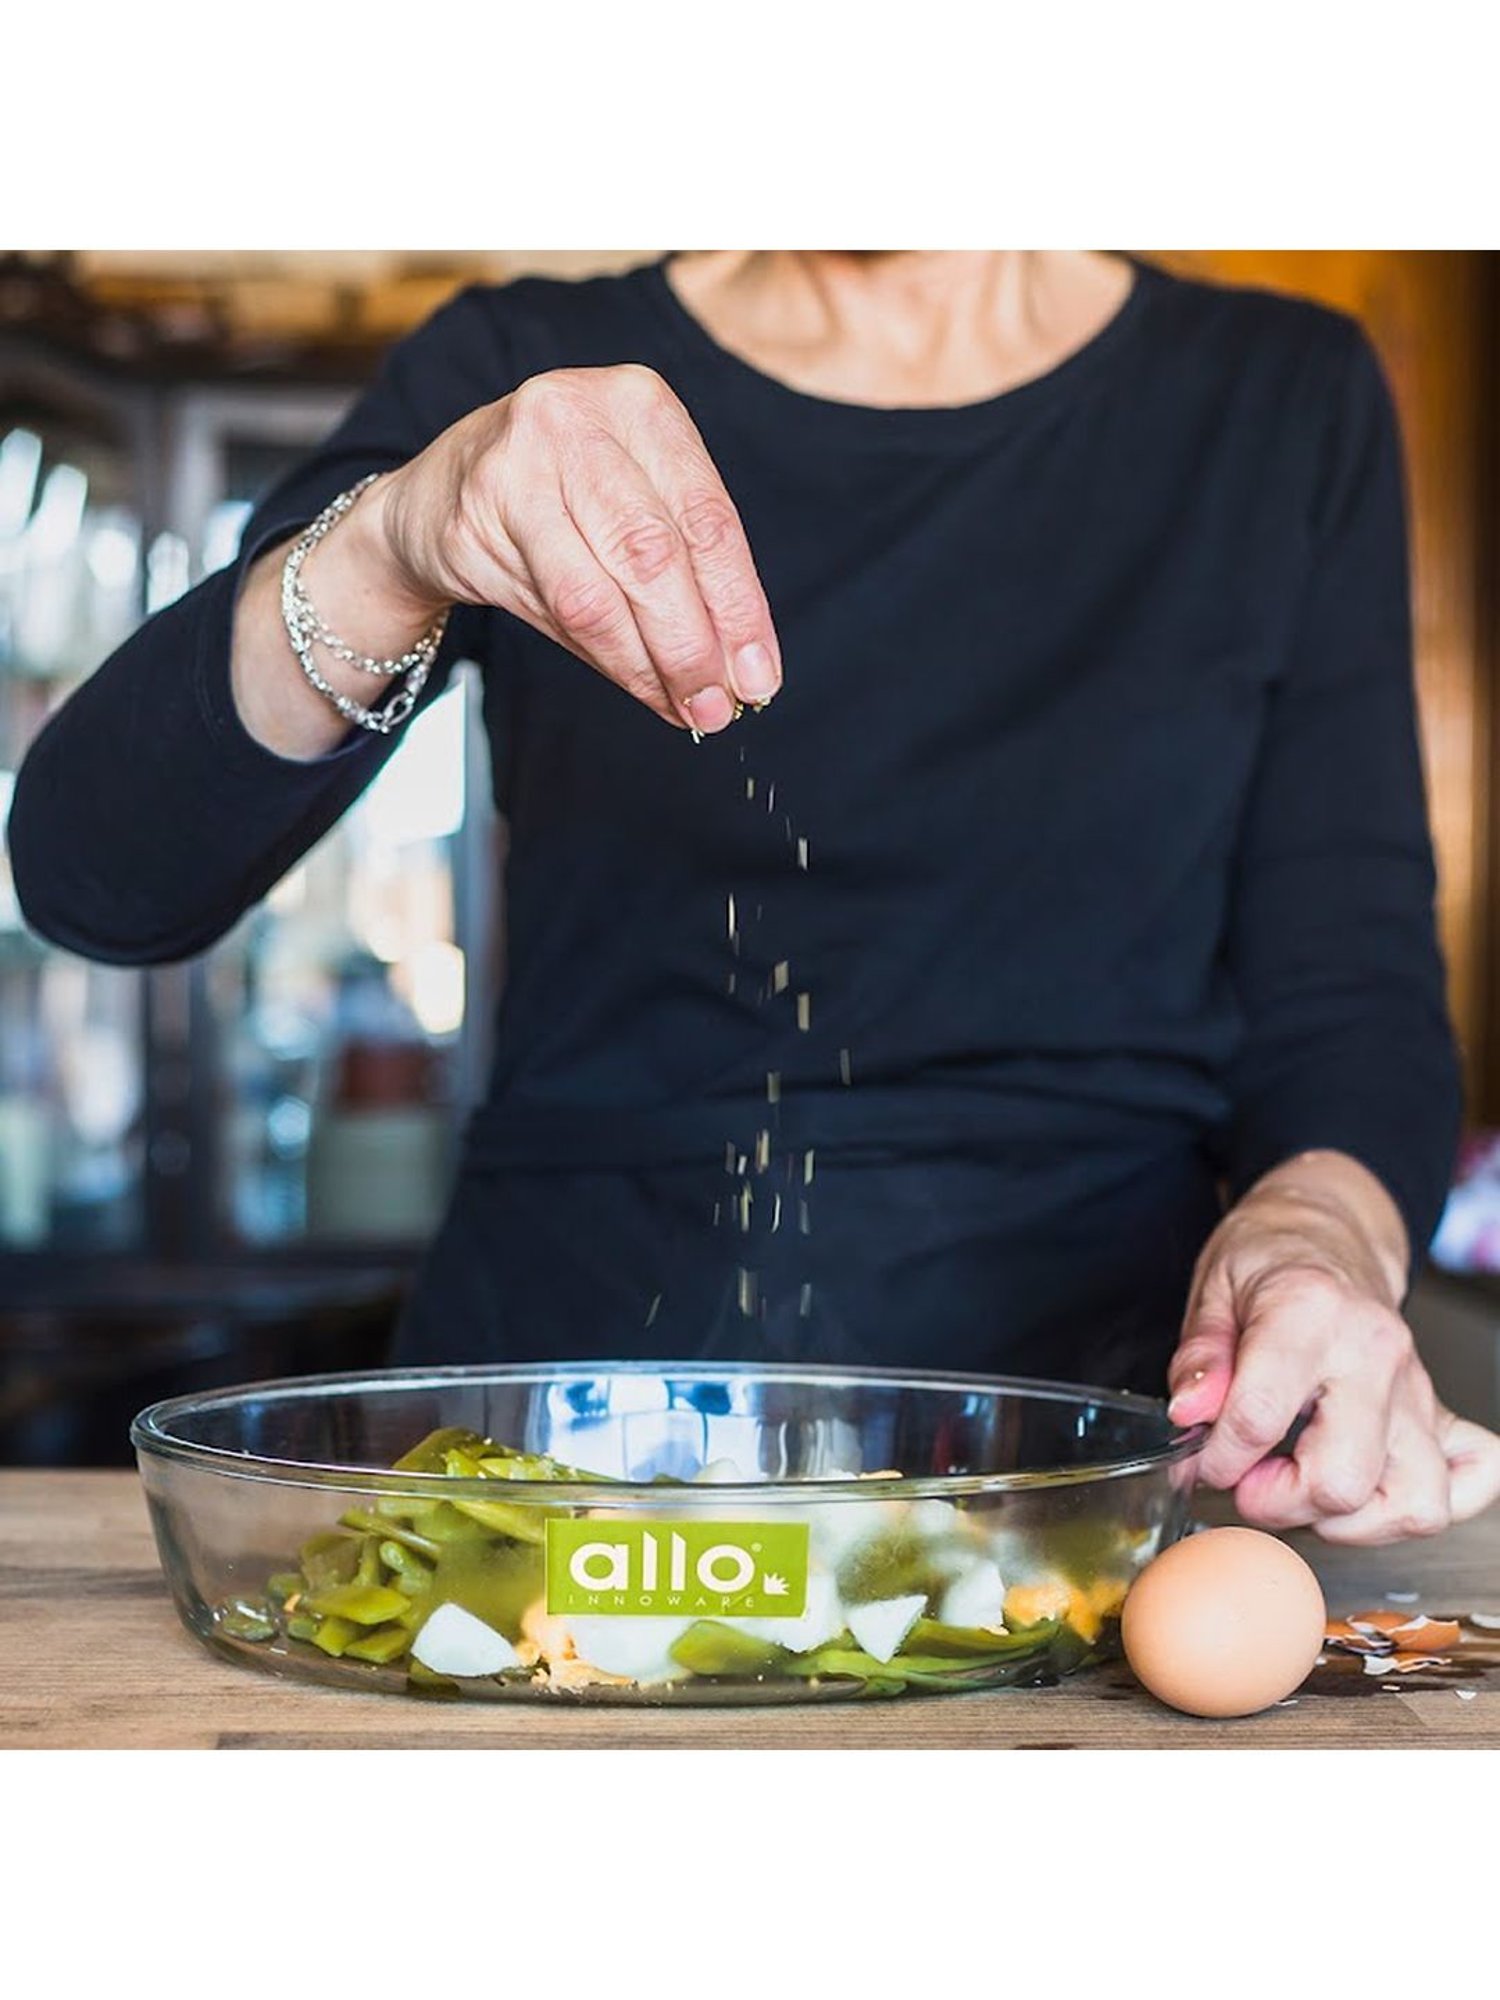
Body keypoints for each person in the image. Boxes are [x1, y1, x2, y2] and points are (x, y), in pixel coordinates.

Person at [13, 250, 1500, 1543]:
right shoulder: (521, 368)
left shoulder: (1278, 398)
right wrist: (398, 541)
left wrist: (1315, 1231)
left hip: (1084, 1457)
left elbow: (1347, 992)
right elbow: (96, 871)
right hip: (554, 1454)